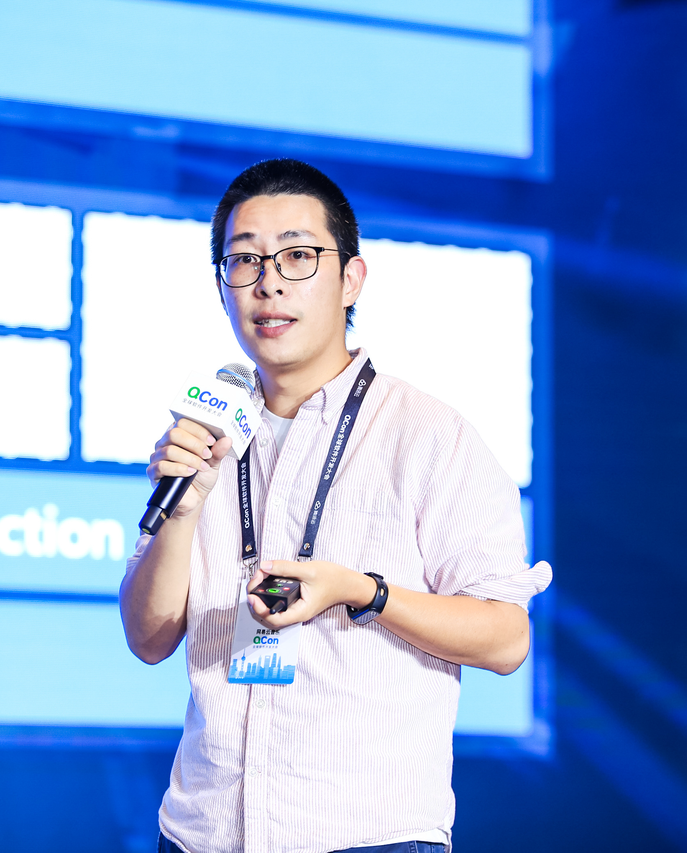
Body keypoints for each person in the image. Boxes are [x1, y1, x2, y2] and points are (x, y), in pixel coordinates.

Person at [119, 159, 553, 853]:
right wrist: (184, 509)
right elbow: (148, 640)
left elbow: (506, 639)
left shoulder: (430, 437)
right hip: (202, 831)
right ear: (222, 286)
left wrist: (363, 592)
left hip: (368, 836)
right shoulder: (208, 432)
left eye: (297, 256)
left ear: (351, 279)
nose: (269, 282)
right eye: (244, 260)